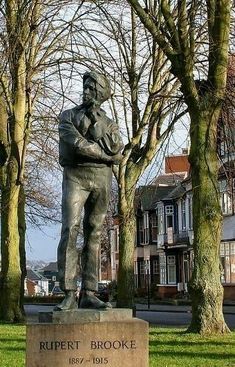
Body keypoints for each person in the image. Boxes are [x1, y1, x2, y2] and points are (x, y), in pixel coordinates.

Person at [54, 71, 123, 311]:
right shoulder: (68, 116)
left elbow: (117, 147)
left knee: (94, 233)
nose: (86, 92)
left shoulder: (108, 123)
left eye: (92, 89)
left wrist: (96, 121)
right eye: (85, 87)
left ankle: (90, 292)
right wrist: (104, 155)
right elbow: (75, 144)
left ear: (101, 94)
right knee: (70, 229)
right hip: (76, 175)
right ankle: (69, 292)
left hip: (101, 179)